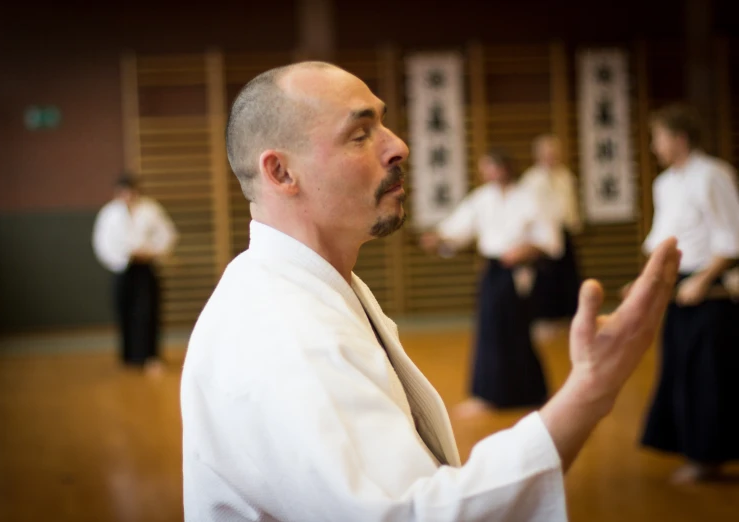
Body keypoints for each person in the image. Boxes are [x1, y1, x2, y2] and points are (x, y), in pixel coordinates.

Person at [180, 61, 680, 521]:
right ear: (281, 172)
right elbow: (406, 515)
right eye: (359, 134)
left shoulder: (305, 288)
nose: (398, 145)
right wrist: (590, 392)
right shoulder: (282, 333)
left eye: (383, 122)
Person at [633, 104, 739, 484]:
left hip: (712, 291)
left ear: (679, 138)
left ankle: (710, 457)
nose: (653, 146)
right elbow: (662, 241)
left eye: (658, 137)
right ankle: (694, 450)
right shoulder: (665, 184)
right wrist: (649, 279)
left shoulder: (713, 174)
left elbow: (731, 237)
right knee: (679, 370)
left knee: (709, 376)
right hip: (681, 287)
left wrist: (703, 279)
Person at [419, 149, 561, 418]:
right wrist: (440, 238)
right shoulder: (483, 198)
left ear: (506, 167)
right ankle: (489, 395)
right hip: (494, 270)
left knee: (519, 331)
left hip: (521, 270)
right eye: (485, 168)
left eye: (492, 167)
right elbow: (458, 228)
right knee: (490, 330)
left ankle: (533, 392)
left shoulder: (529, 197)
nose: (488, 173)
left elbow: (550, 239)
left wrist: (529, 248)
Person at [92, 175, 177, 374]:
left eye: (131, 192)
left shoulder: (150, 209)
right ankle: (129, 357)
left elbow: (167, 234)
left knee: (148, 312)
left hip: (145, 267)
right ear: (117, 194)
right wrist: (123, 255)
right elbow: (102, 243)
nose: (128, 196)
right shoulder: (109, 214)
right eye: (123, 193)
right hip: (122, 268)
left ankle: (150, 356)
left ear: (136, 192)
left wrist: (152, 251)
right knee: (124, 311)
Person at [521, 135, 582, 329]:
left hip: (563, 230)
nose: (551, 156)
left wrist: (574, 223)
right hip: (541, 234)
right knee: (544, 276)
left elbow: (571, 204)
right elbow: (527, 210)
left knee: (568, 274)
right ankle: (543, 317)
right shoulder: (531, 179)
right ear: (537, 155)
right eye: (546, 153)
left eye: (553, 152)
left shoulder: (565, 176)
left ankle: (569, 315)